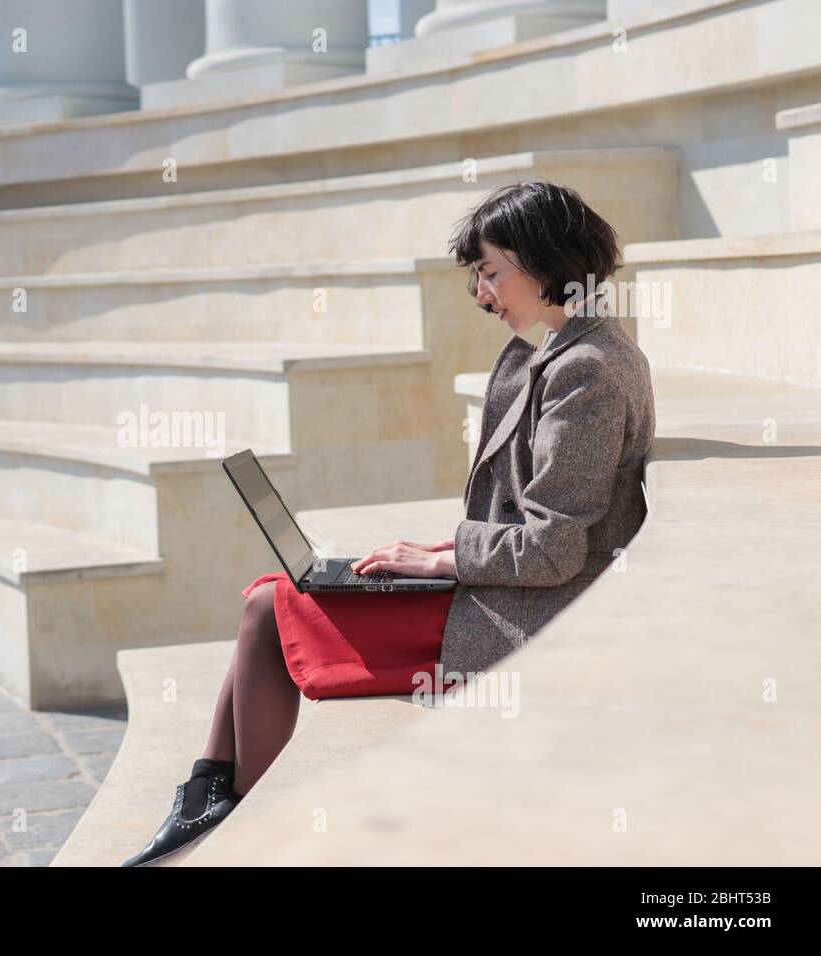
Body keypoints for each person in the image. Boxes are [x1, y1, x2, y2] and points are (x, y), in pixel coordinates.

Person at [121, 180, 657, 867]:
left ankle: (238, 823)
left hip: (537, 611)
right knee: (270, 591)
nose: (480, 294)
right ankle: (209, 794)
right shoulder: (552, 347)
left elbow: (553, 550)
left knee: (268, 608)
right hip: (508, 587)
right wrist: (439, 551)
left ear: (542, 258)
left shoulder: (587, 371)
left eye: (489, 272)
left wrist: (442, 560)